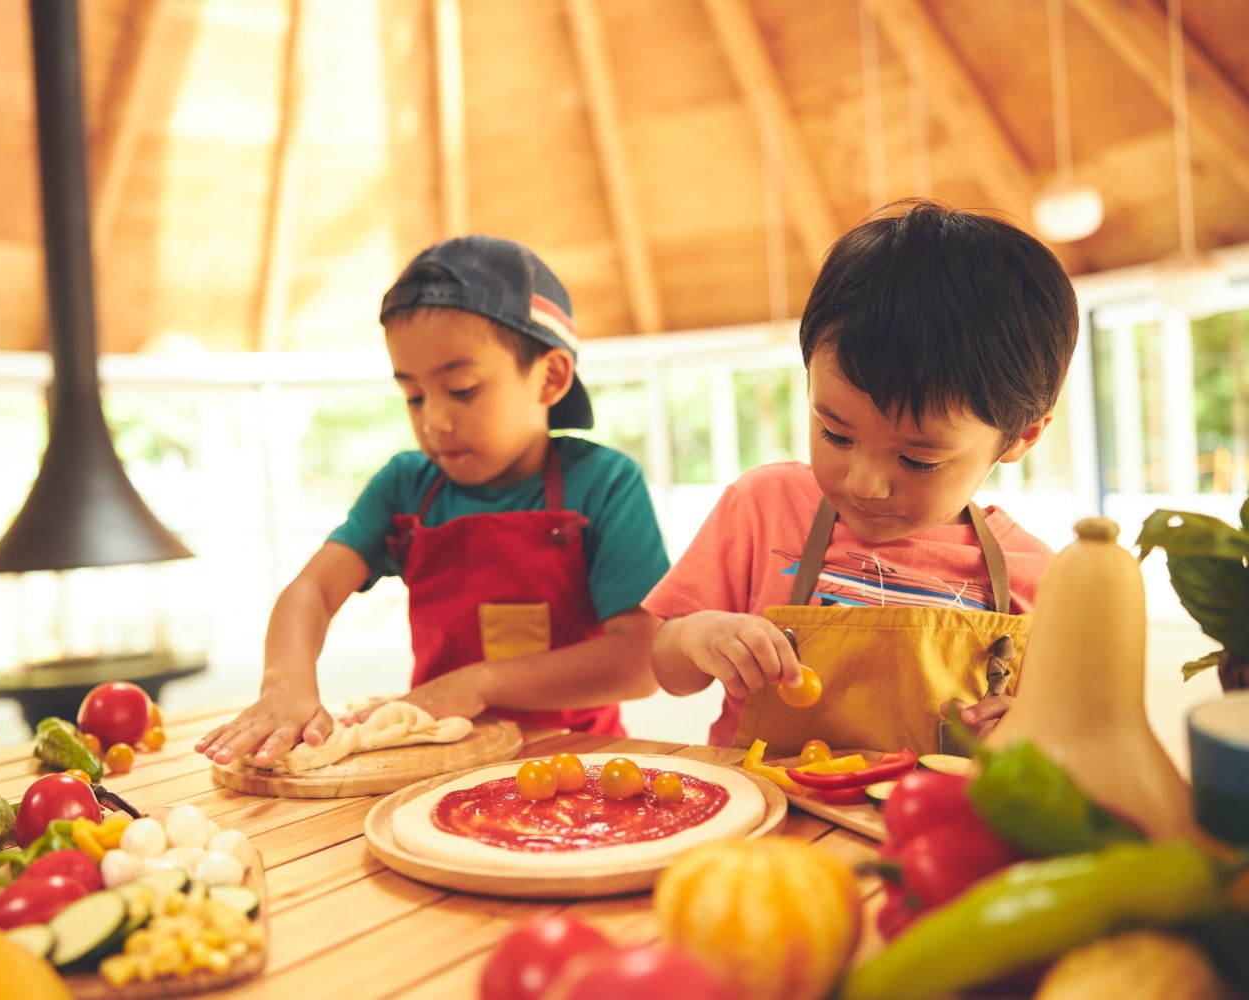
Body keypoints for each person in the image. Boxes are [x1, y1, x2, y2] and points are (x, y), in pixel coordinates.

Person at [199, 235, 669, 767]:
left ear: (550, 377)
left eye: (463, 389)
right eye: (413, 396)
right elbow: (312, 589)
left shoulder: (604, 482)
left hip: (580, 759)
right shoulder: (406, 486)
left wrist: (478, 685)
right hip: (433, 757)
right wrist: (285, 685)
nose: (434, 422)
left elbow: (638, 661)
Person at [644, 201, 1079, 757]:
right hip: (765, 828)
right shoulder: (762, 505)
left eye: (918, 460)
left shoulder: (1039, 580)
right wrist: (696, 635)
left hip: (923, 834)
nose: (865, 484)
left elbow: (1059, 738)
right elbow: (670, 672)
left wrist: (1027, 732)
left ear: (1021, 436)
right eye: (836, 434)